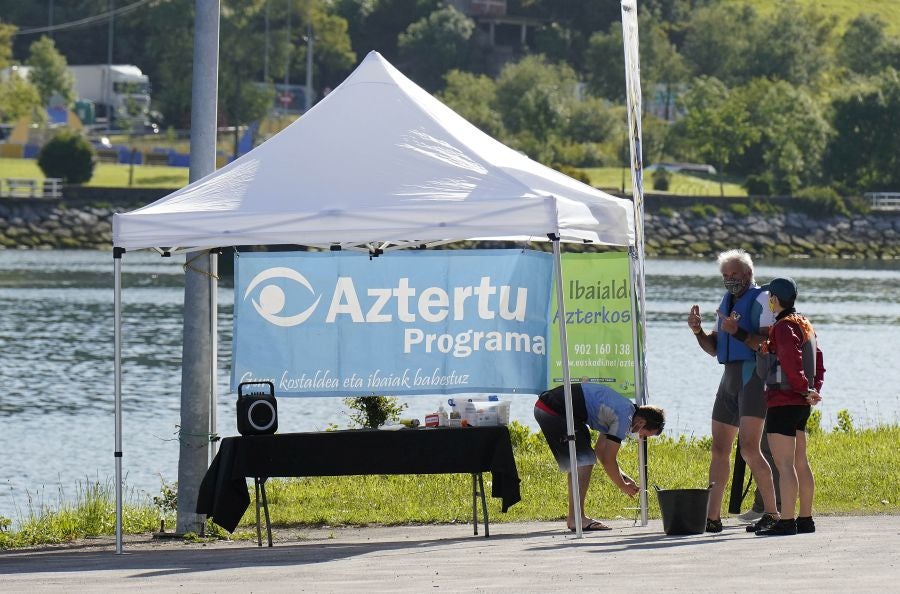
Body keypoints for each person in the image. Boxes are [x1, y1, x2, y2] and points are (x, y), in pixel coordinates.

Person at [687, 249, 780, 533]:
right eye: (725, 276)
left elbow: (766, 345)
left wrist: (738, 331)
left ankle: (773, 513)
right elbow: (715, 347)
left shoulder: (762, 300)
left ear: (748, 274)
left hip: (753, 379)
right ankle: (712, 518)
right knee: (719, 449)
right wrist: (698, 332)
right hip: (729, 380)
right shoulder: (726, 302)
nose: (729, 280)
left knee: (750, 449)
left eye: (734, 275)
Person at [534, 382, 665, 532]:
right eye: (644, 434)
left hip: (554, 408)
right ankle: (576, 519)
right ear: (641, 423)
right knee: (584, 461)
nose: (640, 437)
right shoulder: (624, 418)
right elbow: (609, 460)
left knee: (585, 458)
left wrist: (623, 477)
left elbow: (601, 452)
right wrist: (623, 486)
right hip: (553, 409)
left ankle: (575, 517)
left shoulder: (624, 410)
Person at [755, 277, 824, 536]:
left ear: (774, 299)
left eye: (769, 297)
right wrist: (814, 389)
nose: (767, 302)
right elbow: (818, 358)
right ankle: (805, 519)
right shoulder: (804, 323)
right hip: (801, 404)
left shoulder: (783, 327)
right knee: (800, 461)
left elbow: (791, 360)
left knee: (784, 465)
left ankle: (786, 522)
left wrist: (803, 388)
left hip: (783, 402)